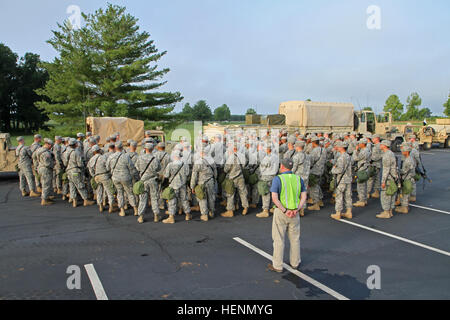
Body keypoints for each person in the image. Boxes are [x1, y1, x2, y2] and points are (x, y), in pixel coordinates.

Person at [267, 158, 307, 273]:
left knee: (279, 239)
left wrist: (285, 210)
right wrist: (297, 209)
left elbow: (274, 198)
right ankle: (295, 263)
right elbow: (303, 197)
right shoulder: (299, 179)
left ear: (282, 166)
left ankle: (278, 266)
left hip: (281, 212)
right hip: (295, 212)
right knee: (295, 239)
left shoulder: (278, 179)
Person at [106, 141, 139, 217]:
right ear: (122, 148)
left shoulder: (111, 157)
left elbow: (107, 167)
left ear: (115, 148)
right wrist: (136, 176)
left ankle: (122, 210)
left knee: (120, 193)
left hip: (115, 178)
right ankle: (135, 209)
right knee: (130, 193)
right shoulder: (126, 156)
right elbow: (131, 167)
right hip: (126, 177)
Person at [135, 143, 162, 223]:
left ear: (145, 149)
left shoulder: (140, 158)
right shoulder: (155, 159)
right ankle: (156, 215)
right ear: (152, 149)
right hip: (153, 180)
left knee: (142, 199)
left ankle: (141, 216)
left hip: (143, 181)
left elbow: (137, 168)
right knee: (154, 198)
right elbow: (158, 168)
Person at [330, 141, 353, 220]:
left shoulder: (341, 157)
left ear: (342, 147)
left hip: (341, 180)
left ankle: (338, 213)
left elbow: (339, 170)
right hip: (348, 179)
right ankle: (349, 212)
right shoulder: (348, 156)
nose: (338, 147)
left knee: (339, 196)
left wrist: (333, 169)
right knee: (348, 196)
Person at [377, 140, 399, 219]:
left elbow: (386, 169)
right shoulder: (391, 153)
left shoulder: (386, 155)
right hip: (393, 177)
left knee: (385, 195)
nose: (380, 145)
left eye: (381, 144)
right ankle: (390, 211)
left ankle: (386, 212)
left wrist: (383, 181)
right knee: (392, 194)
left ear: (385, 146)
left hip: (388, 178)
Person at [395, 144, 415, 214]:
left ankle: (404, 208)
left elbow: (404, 171)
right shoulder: (410, 158)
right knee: (406, 193)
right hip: (409, 178)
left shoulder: (408, 160)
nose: (402, 152)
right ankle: (405, 206)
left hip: (406, 178)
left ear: (406, 152)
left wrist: (397, 170)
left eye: (403, 151)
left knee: (404, 193)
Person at [37, 139, 56, 205]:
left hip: (40, 167)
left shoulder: (39, 150)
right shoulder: (46, 153)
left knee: (44, 183)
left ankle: (46, 197)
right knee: (46, 184)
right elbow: (48, 164)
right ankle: (44, 200)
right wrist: (53, 165)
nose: (51, 147)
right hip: (46, 169)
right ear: (48, 144)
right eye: (51, 145)